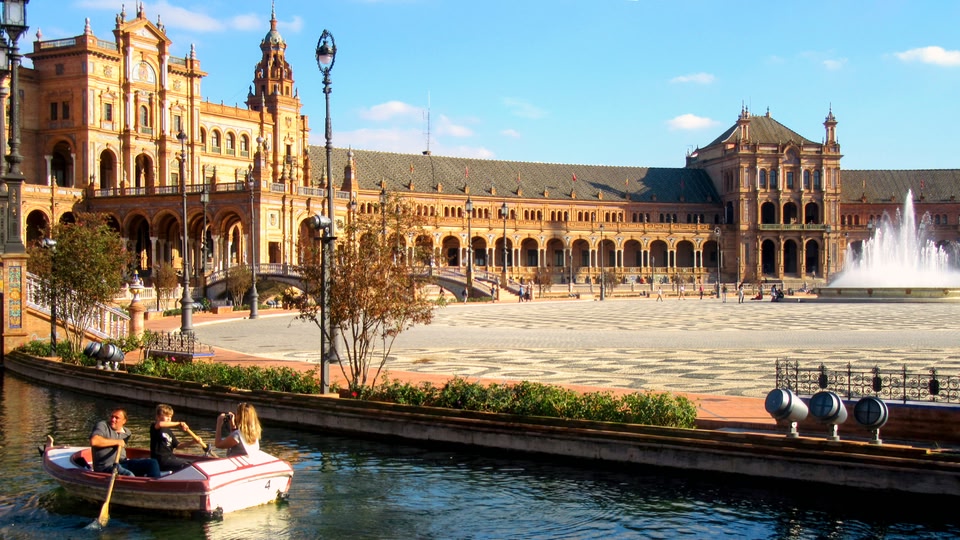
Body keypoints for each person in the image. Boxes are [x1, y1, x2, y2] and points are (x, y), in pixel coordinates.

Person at [90, 408, 161, 478]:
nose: (113, 419)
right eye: (112, 416)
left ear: (124, 421)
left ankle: (154, 484)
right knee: (130, 475)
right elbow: (94, 441)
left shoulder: (127, 433)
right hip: (106, 466)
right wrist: (117, 442)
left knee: (152, 463)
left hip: (123, 463)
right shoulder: (103, 425)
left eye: (116, 418)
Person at [150, 403, 199, 472]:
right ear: (158, 417)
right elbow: (160, 424)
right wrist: (179, 423)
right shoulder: (154, 427)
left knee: (193, 465)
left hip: (170, 458)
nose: (169, 419)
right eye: (166, 416)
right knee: (186, 466)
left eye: (170, 416)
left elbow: (178, 446)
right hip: (160, 461)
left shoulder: (169, 431)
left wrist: (192, 442)